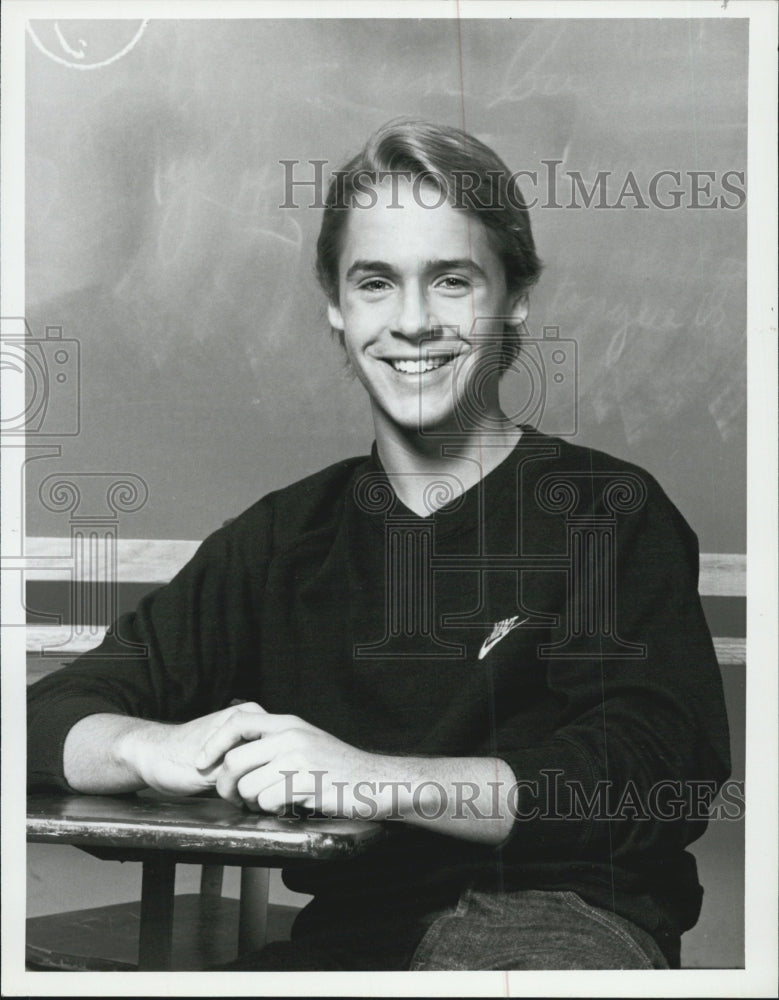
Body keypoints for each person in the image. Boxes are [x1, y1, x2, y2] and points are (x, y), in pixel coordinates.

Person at [27, 119, 730, 971]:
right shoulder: (285, 538)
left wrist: (366, 776)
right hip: (354, 942)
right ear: (334, 303)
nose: (412, 321)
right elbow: (47, 717)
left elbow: (650, 770)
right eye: (375, 283)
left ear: (514, 298)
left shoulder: (605, 512)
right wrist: (151, 745)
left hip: (559, 924)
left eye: (451, 281)